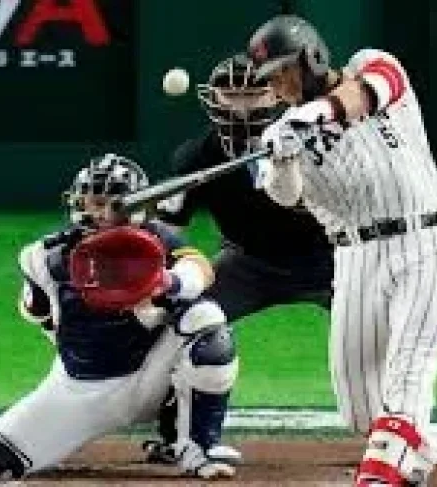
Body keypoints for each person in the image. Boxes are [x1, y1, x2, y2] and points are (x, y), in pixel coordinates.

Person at [248, 15, 437, 487]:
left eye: (284, 70)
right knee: (361, 410)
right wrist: (281, 157)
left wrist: (317, 114)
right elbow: (285, 197)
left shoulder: (371, 66)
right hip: (356, 260)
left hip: (427, 243)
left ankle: (382, 476)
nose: (279, 85)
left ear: (312, 58)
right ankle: (417, 448)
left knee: (407, 381)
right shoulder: (283, 131)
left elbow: (371, 91)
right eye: (271, 78)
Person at [0, 153, 240, 480]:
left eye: (109, 204)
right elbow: (37, 313)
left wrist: (167, 283)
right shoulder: (42, 258)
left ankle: (193, 445)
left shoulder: (157, 241)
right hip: (80, 387)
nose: (97, 213)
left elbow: (200, 269)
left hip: (146, 376)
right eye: (91, 202)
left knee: (205, 320)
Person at [141, 53, 335, 463]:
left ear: (277, 95)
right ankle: (180, 435)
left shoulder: (315, 140)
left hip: (331, 261)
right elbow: (168, 227)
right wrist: (152, 232)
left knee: (380, 330)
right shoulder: (196, 156)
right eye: (232, 96)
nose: (242, 106)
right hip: (248, 264)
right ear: (213, 99)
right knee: (181, 324)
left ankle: (394, 429)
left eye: (254, 93)